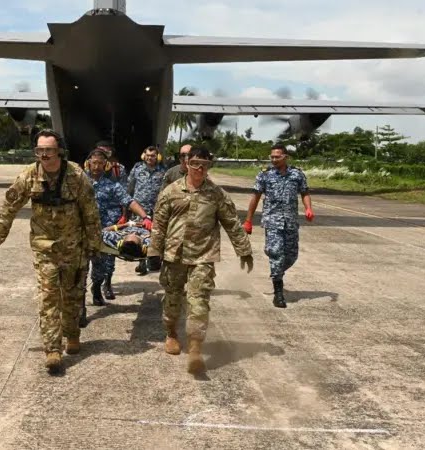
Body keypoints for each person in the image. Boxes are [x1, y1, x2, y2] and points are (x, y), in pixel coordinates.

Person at [0, 129, 101, 374]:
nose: (44, 155)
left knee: (71, 297)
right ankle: (52, 350)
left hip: (74, 249)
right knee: (48, 299)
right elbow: (8, 208)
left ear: (59, 151)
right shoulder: (29, 176)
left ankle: (72, 334)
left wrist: (94, 244)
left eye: (49, 150)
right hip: (45, 248)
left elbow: (91, 213)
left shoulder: (77, 176)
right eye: (40, 150)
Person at [149, 146, 253, 375]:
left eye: (204, 165)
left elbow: (232, 223)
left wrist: (244, 249)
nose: (199, 168)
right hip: (174, 255)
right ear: (186, 163)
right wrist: (153, 253)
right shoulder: (170, 191)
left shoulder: (216, 194)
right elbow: (159, 224)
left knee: (199, 301)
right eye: (195, 163)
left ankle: (195, 348)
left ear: (208, 167)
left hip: (203, 256)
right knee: (172, 300)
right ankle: (172, 333)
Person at [243, 143, 314, 308]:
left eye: (277, 157)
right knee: (276, 254)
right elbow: (255, 197)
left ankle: (277, 271)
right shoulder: (264, 175)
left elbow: (305, 193)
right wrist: (248, 220)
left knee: (291, 256)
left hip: (290, 221)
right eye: (272, 157)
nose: (274, 159)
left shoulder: (297, 174)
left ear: (285, 157)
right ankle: (279, 293)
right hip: (272, 221)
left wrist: (309, 208)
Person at [85, 148, 151, 305]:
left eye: (100, 163)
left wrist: (145, 216)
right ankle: (81, 302)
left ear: (105, 165)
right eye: (94, 163)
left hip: (107, 229)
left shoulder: (112, 185)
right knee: (82, 264)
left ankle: (99, 286)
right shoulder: (80, 182)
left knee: (105, 262)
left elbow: (129, 201)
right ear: (88, 164)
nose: (97, 166)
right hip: (85, 229)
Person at [127, 145, 166, 275]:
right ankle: (142, 263)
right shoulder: (137, 168)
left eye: (153, 156)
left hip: (156, 209)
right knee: (139, 234)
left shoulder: (163, 170)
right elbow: (129, 187)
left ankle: (153, 260)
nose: (150, 158)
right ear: (144, 156)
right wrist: (128, 206)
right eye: (148, 155)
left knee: (155, 236)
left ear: (158, 157)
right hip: (139, 209)